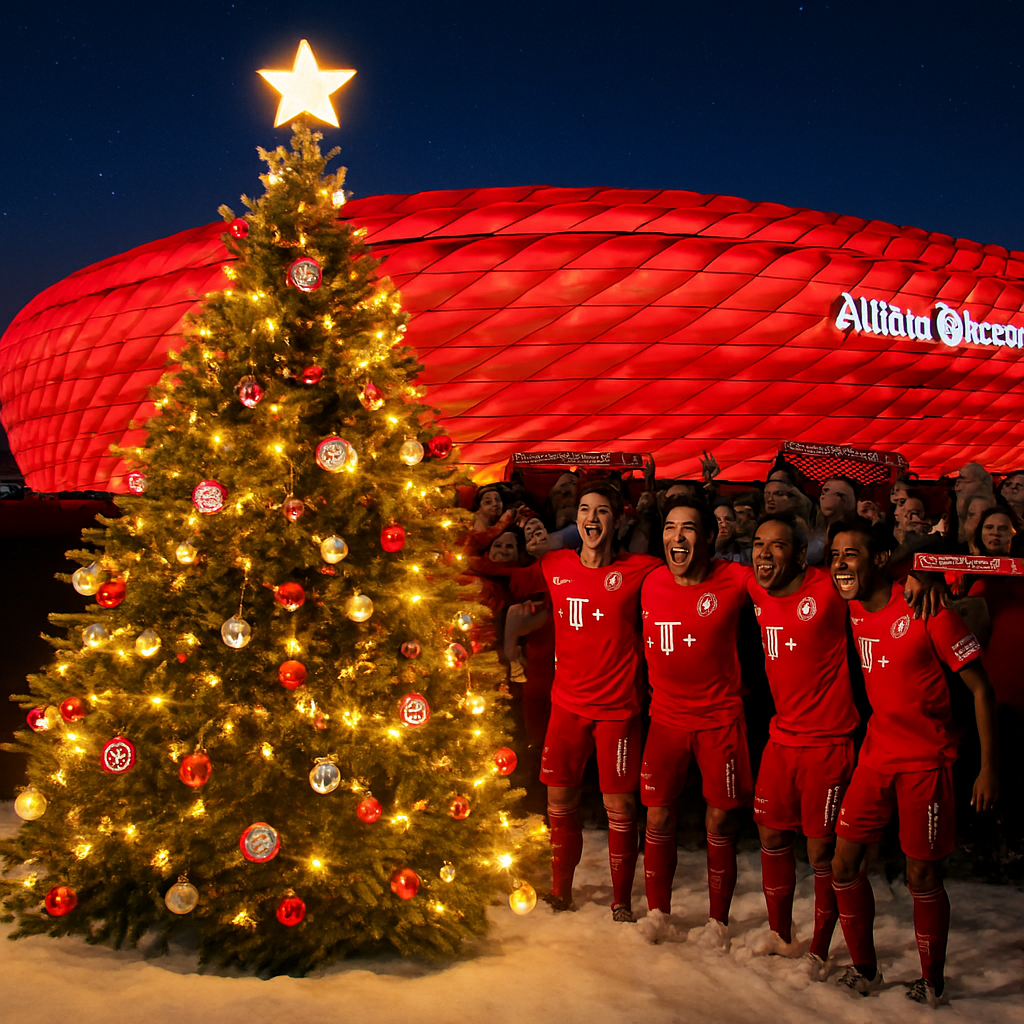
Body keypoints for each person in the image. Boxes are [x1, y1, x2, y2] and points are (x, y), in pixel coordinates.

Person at [828, 519, 998, 1006]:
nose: (840, 564)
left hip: (927, 761)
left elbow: (982, 689)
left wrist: (989, 768)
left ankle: (932, 981)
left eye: (851, 554)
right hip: (875, 755)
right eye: (835, 555)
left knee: (922, 875)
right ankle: (865, 970)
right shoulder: (854, 604)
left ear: (881, 559)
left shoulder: (928, 608)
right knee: (843, 864)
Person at [525, 481, 660, 919]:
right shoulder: (554, 564)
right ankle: (560, 891)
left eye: (602, 511)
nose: (592, 519)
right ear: (576, 519)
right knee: (558, 801)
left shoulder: (641, 570)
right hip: (565, 708)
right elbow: (503, 572)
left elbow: (686, 574)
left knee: (619, 807)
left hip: (618, 712)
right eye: (585, 510)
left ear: (617, 521)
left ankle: (621, 901)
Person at [639, 496, 753, 947]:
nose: (677, 537)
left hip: (719, 719)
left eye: (688, 528)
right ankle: (657, 912)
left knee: (720, 822)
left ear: (709, 537)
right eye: (670, 527)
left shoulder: (735, 579)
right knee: (659, 815)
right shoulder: (648, 580)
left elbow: (789, 580)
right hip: (664, 718)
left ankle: (718, 922)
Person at [748, 514, 859, 976]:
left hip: (828, 742)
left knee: (820, 851)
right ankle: (780, 933)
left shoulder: (830, 589)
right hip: (781, 740)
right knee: (771, 835)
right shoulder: (753, 589)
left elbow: (875, 574)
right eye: (758, 544)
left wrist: (922, 576)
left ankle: (818, 948)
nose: (765, 554)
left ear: (799, 554)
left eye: (777, 547)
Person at [807, 477, 858, 565]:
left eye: (838, 495)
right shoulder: (811, 528)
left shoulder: (855, 535)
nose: (823, 497)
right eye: (823, 492)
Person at [713, 498, 752, 564]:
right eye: (718, 520)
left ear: (735, 523)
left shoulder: (747, 553)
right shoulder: (702, 554)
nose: (724, 525)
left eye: (728, 519)